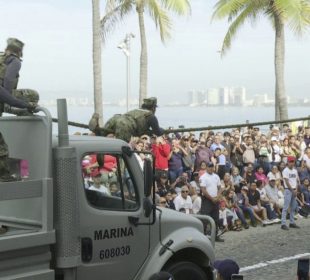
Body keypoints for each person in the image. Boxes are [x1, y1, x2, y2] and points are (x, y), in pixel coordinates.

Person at [89, 97, 163, 142]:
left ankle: (96, 128)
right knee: (123, 150)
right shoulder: (150, 116)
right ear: (153, 108)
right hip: (126, 125)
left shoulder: (137, 110)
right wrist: (162, 130)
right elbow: (157, 132)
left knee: (102, 135)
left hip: (117, 118)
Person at [0, 38, 36, 114]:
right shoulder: (15, 60)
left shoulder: (2, 57)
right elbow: (8, 79)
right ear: (19, 52)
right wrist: (27, 105)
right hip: (4, 93)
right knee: (34, 95)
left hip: (3, 93)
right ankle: (24, 113)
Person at [199, 162, 224, 242]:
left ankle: (215, 236)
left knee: (215, 218)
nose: (211, 168)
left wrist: (217, 196)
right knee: (205, 219)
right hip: (207, 200)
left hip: (215, 199)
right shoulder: (203, 177)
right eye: (209, 167)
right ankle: (202, 237)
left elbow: (220, 188)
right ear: (206, 168)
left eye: (212, 167)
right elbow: (203, 190)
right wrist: (211, 198)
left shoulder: (216, 176)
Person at [281, 156, 300, 230]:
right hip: (288, 190)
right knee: (285, 207)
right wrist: (293, 190)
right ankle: (283, 223)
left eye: (293, 161)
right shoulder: (285, 170)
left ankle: (292, 222)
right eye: (290, 162)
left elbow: (296, 181)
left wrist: (296, 190)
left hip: (294, 190)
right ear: (288, 162)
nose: (292, 163)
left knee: (293, 207)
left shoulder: (295, 170)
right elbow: (286, 181)